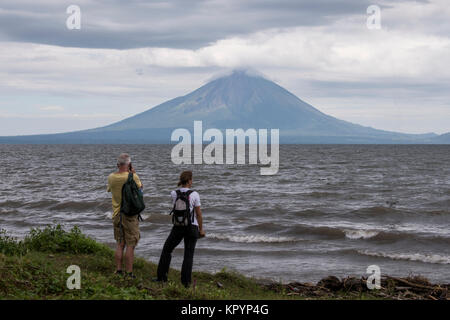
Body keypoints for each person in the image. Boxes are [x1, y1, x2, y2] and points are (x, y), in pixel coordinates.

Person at [155, 171, 205, 287]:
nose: (192, 182)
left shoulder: (174, 193)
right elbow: (199, 214)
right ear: (189, 181)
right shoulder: (195, 194)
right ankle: (186, 283)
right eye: (191, 180)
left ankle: (162, 277)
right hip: (192, 227)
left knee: (167, 249)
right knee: (188, 254)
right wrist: (201, 230)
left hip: (178, 226)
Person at [107, 153, 143, 278]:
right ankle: (129, 272)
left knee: (120, 243)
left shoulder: (111, 177)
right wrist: (133, 172)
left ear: (118, 164)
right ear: (129, 164)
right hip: (130, 215)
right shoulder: (133, 176)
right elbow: (140, 192)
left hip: (117, 214)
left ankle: (118, 270)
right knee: (131, 244)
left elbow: (110, 190)